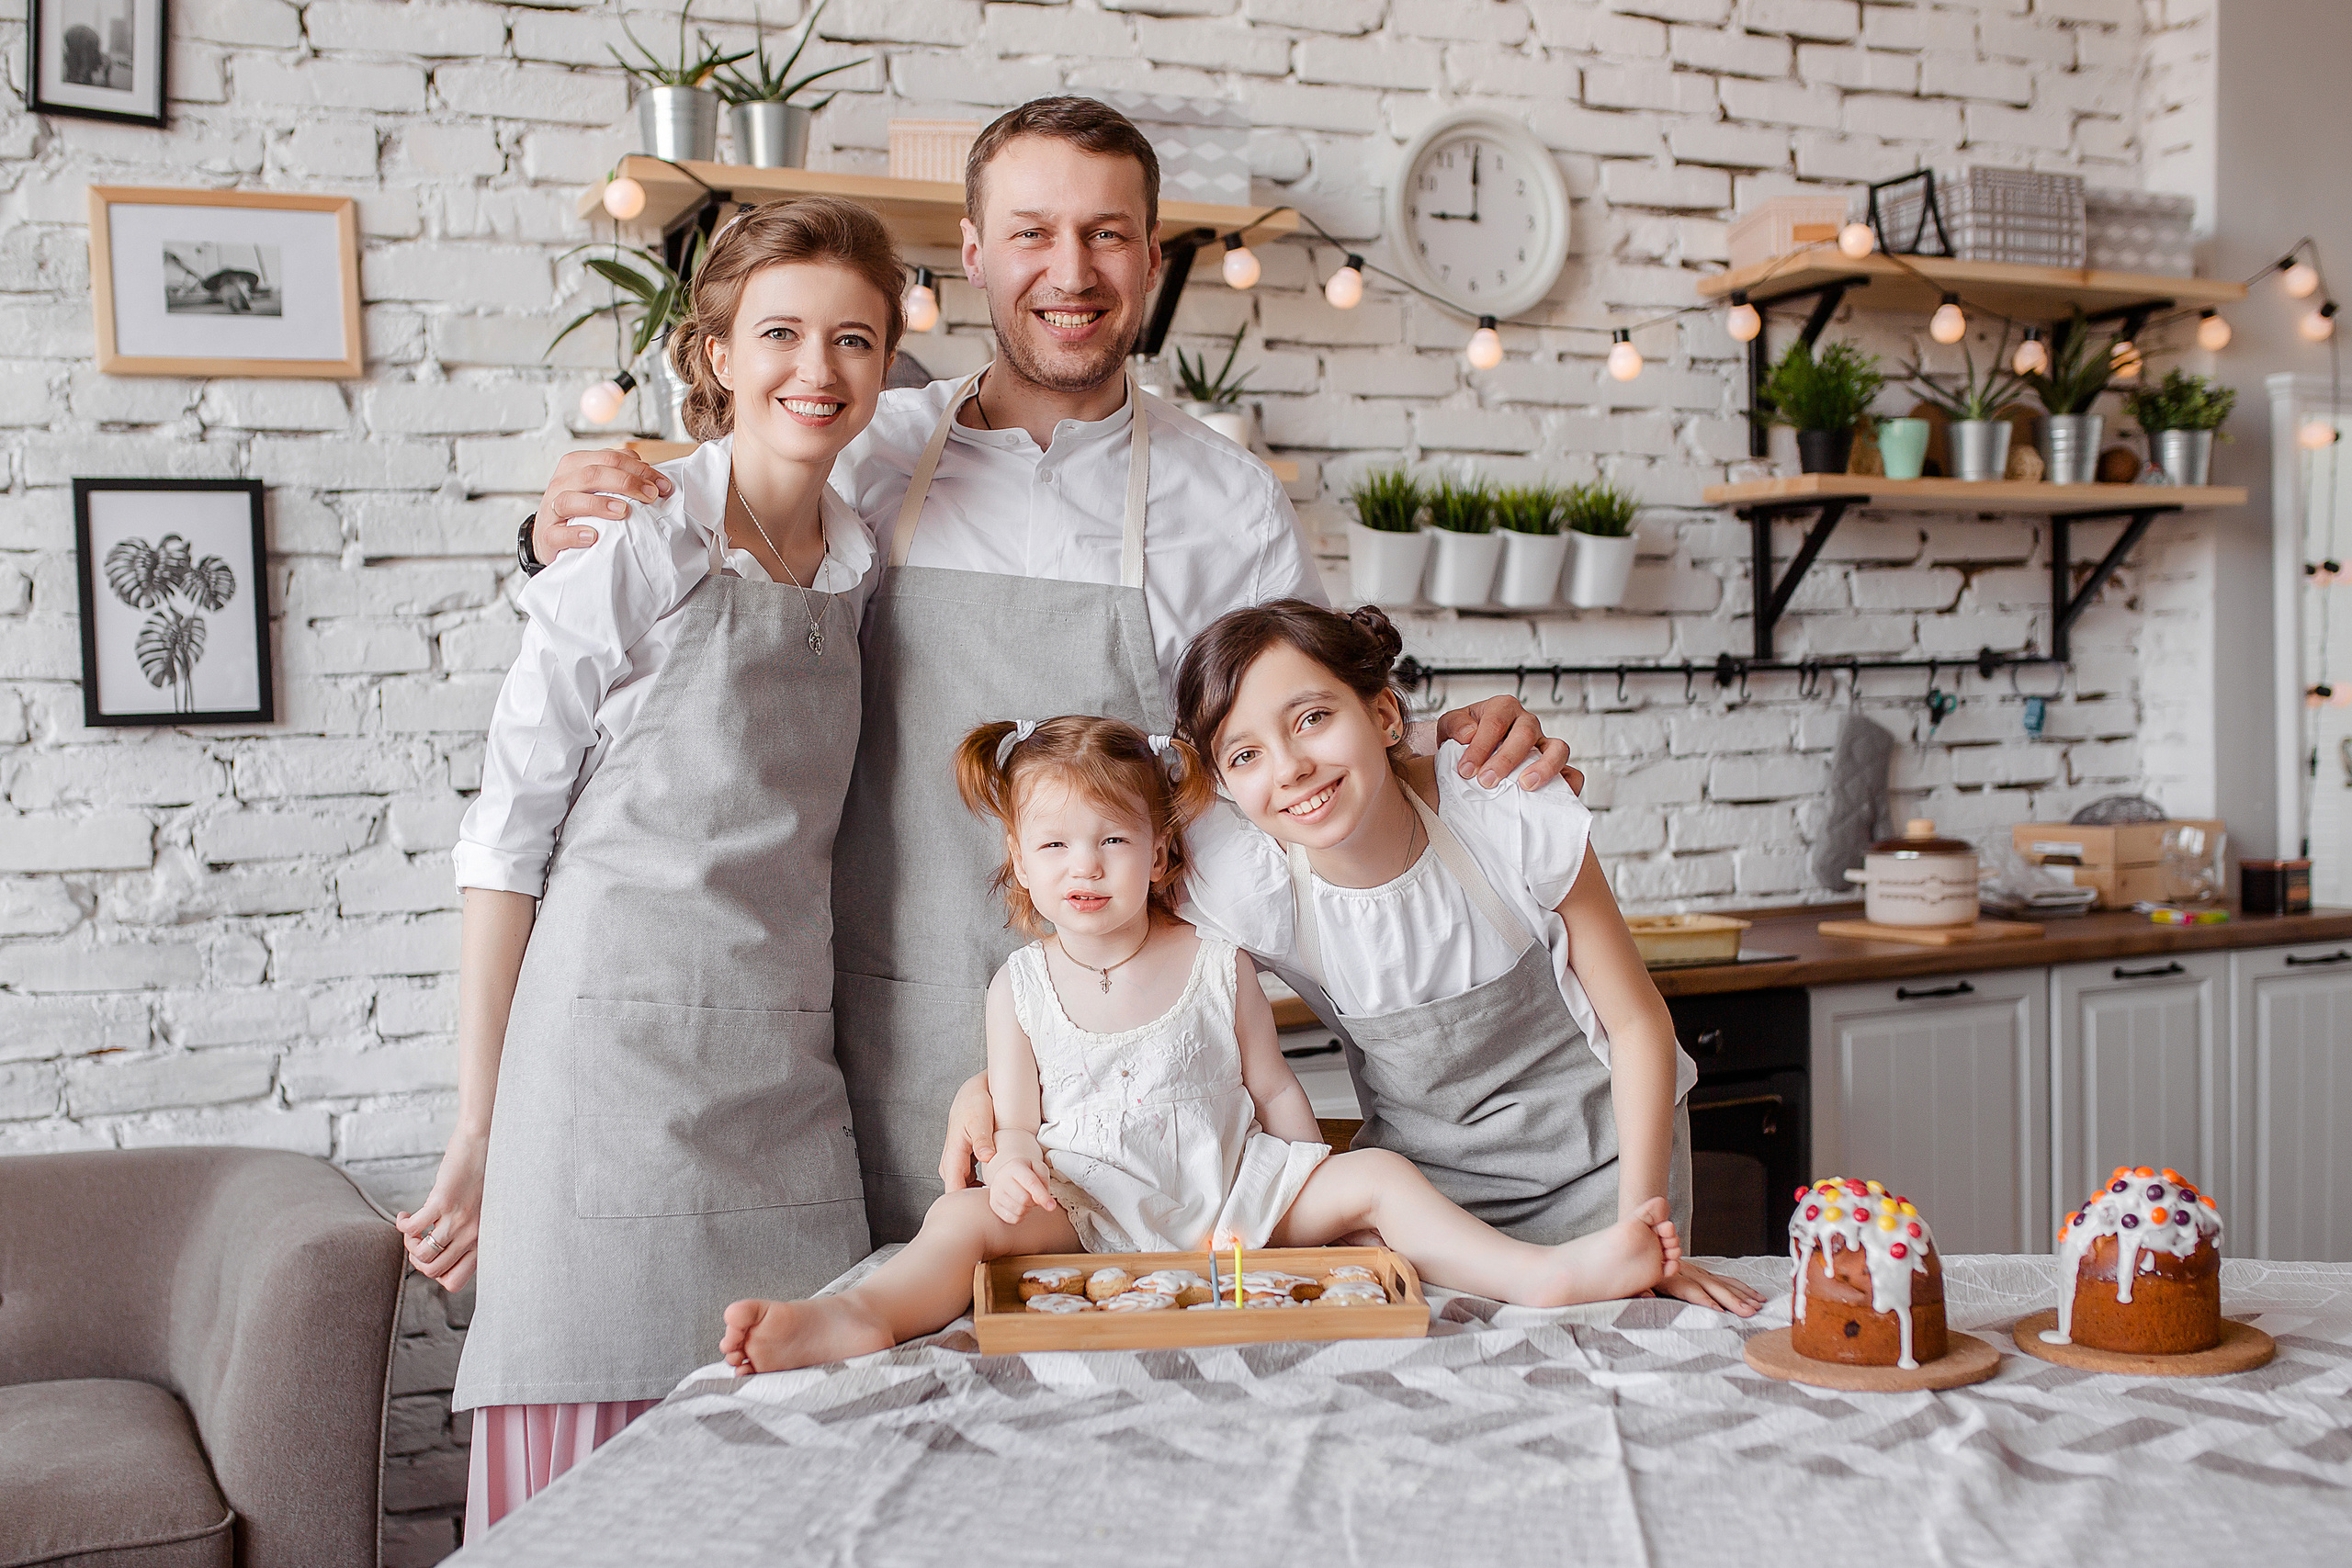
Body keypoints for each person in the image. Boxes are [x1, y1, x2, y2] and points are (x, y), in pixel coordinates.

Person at [525, 97, 1577, 1245]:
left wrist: (1437, 755)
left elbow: (1298, 753)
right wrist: (551, 537)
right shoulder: (864, 447)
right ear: (972, 254)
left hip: (1125, 1084)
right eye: (1030, 232)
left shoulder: (1224, 500)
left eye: (1107, 234)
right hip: (866, 1044)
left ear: (1150, 253)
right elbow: (678, 617)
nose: (1070, 272)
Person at [400, 197, 905, 1531]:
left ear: (891, 359)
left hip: (782, 1072)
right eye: (781, 332)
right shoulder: (629, 532)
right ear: (717, 352)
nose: (817, 369)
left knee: (808, 1463)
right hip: (605, 1078)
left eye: (854, 338)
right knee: (605, 1470)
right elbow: (505, 840)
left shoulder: (858, 556)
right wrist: (477, 1126)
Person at [718, 716, 1680, 1374]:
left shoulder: (1217, 959)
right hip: (1087, 1206)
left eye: (1113, 843)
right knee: (960, 1224)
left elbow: (1273, 1095)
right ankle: (858, 1316)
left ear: (1161, 853)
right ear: (1018, 860)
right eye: (1053, 848)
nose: (1084, 869)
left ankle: (1541, 1273)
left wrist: (1317, 1193)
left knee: (1380, 1177)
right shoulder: (1016, 987)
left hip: (1233, 1196)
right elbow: (1014, 1126)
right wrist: (1009, 1169)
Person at [1170, 601, 1763, 1316]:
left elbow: (1638, 1025)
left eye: (1313, 718)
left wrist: (1643, 1233)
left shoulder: (1498, 803)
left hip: (1610, 1177)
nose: (1291, 767)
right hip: (1431, 1212)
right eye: (1245, 754)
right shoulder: (1248, 883)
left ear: (1384, 715)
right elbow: (1095, 829)